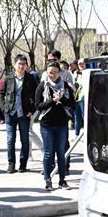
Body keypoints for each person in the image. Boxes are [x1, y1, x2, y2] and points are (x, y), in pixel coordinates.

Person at [35, 61, 76, 191]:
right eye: (50, 72)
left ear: (59, 73)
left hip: (62, 124)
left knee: (61, 152)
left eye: (55, 72)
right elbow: (38, 106)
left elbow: (72, 104)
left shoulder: (65, 86)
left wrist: (61, 99)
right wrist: (52, 101)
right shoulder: (42, 86)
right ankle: (48, 179)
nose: (52, 75)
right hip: (47, 124)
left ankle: (62, 180)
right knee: (48, 153)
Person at [0, 54, 38, 173]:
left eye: (23, 64)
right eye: (19, 64)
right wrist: (4, 108)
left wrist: (32, 110)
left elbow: (37, 95)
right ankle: (11, 164)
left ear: (26, 65)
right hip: (10, 113)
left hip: (24, 114)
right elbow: (0, 94)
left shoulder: (30, 78)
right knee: (10, 140)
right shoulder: (8, 78)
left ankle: (23, 164)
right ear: (14, 65)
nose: (21, 66)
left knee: (25, 140)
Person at [73, 59, 87, 137]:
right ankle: (76, 134)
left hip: (83, 97)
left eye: (83, 63)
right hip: (76, 97)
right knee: (77, 116)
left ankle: (86, 134)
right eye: (79, 64)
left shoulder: (88, 72)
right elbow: (73, 84)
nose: (81, 65)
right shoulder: (76, 73)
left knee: (84, 116)